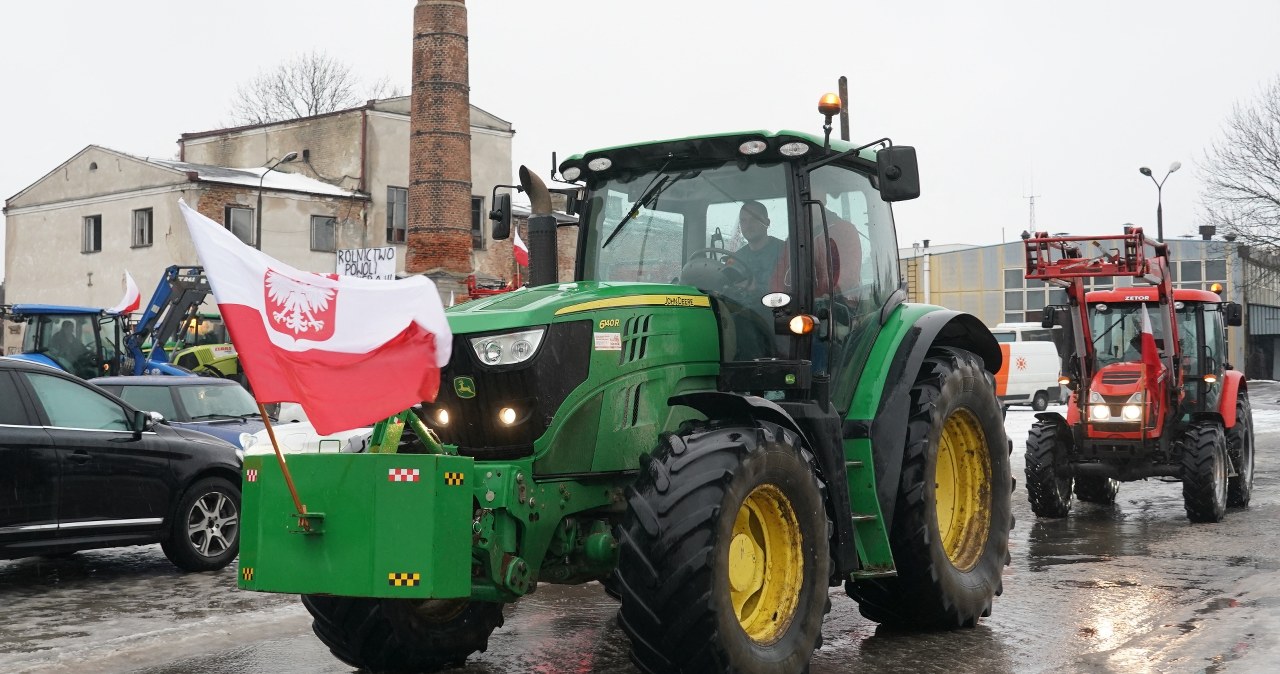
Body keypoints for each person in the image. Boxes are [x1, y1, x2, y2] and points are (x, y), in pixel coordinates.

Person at [728, 200, 786, 292]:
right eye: (743, 221)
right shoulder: (736, 258)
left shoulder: (786, 252)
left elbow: (793, 289)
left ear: (767, 222)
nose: (748, 225)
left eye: (754, 219)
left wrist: (756, 288)